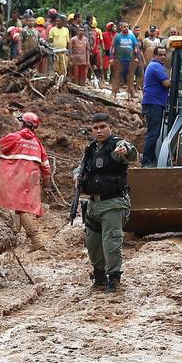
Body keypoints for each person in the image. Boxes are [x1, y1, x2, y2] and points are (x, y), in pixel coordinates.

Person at [75, 114, 136, 290]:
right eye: (95, 128)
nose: (99, 131)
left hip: (113, 203)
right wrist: (76, 175)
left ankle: (114, 279)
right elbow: (82, 167)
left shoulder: (116, 146)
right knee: (93, 243)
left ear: (110, 127)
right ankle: (99, 277)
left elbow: (130, 152)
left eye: (102, 127)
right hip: (93, 204)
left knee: (111, 242)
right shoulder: (92, 149)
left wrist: (126, 150)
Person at [0, 112, 51, 251]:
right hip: (31, 179)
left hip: (17, 176)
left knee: (20, 208)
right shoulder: (37, 144)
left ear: (23, 123)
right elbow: (46, 166)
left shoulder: (15, 137)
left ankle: (35, 240)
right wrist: (47, 184)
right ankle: (16, 235)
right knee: (20, 206)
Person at [140, 46, 171, 166]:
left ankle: (151, 157)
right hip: (153, 103)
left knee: (154, 132)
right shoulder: (156, 66)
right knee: (153, 133)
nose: (163, 57)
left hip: (154, 102)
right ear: (155, 55)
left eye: (164, 55)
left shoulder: (155, 66)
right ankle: (147, 160)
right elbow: (167, 83)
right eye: (160, 55)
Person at [112, 22, 141, 98]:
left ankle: (132, 92)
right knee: (117, 76)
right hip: (120, 59)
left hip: (130, 59)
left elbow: (136, 47)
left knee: (130, 77)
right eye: (124, 27)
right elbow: (113, 47)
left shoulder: (132, 37)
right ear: (121, 27)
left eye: (127, 27)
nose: (126, 28)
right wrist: (111, 58)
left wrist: (137, 58)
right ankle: (114, 92)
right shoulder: (117, 36)